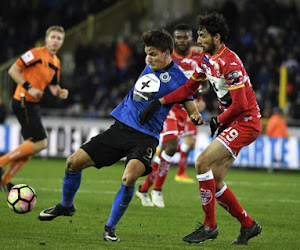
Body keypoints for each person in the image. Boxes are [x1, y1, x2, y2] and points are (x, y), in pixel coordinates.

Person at [38, 29, 205, 242]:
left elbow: (190, 104)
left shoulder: (179, 79)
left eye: (153, 54)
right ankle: (66, 205)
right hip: (119, 130)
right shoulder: (150, 65)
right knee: (72, 163)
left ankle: (110, 227)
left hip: (145, 137)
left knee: (129, 177)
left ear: (166, 52)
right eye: (147, 53)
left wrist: (196, 117)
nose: (148, 58)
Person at [139, 12, 262, 245]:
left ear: (216, 37)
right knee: (214, 179)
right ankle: (248, 225)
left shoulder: (230, 62)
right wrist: (159, 102)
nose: (198, 38)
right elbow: (188, 89)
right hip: (233, 121)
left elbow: (241, 105)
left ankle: (209, 226)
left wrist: (218, 120)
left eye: (202, 35)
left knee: (201, 162)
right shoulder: (206, 59)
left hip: (245, 122)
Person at [135, 24, 207, 208]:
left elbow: (202, 83)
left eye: (185, 37)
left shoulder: (198, 58)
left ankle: (144, 188)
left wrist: (198, 98)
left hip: (184, 110)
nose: (182, 40)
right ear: (174, 39)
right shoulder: (166, 57)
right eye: (178, 37)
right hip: (167, 108)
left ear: (190, 39)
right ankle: (157, 190)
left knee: (167, 151)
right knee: (172, 146)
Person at [0, 26, 68, 191]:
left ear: (62, 42)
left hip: (32, 104)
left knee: (31, 146)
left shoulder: (56, 63)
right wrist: (28, 87)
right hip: (23, 100)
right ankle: (1, 163)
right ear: (46, 39)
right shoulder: (35, 54)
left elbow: (53, 87)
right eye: (53, 37)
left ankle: (4, 181)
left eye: (59, 38)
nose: (55, 41)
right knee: (41, 142)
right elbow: (13, 70)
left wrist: (60, 92)